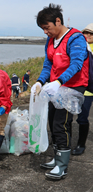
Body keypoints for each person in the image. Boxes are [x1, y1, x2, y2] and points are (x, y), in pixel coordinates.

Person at [32, 4, 89, 180]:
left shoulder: (76, 38)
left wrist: (59, 81)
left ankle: (62, 165)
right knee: (52, 121)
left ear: (58, 21)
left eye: (46, 27)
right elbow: (48, 64)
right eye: (42, 29)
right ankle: (57, 158)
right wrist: (40, 81)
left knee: (61, 123)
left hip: (72, 86)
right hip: (56, 86)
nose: (45, 32)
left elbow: (77, 64)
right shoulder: (51, 40)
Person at [72, 23, 93, 155]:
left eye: (91, 33)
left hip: (90, 87)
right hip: (82, 87)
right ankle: (77, 144)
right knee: (76, 117)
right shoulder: (79, 46)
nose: (88, 35)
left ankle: (81, 144)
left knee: (83, 117)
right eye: (86, 32)